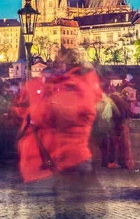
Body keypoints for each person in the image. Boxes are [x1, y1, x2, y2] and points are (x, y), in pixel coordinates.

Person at [17, 66, 105, 217]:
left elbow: (40, 116)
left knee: (50, 208)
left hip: (50, 163)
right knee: (72, 206)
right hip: (76, 158)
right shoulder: (87, 97)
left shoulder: (61, 96)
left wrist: (36, 93)